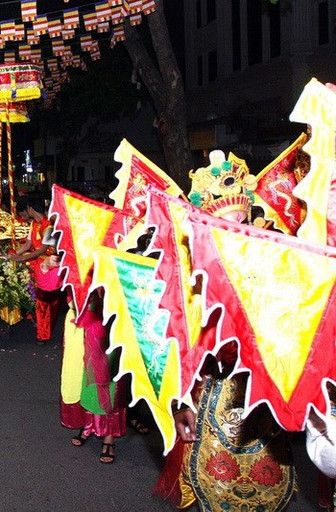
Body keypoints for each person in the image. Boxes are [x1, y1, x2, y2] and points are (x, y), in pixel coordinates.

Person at [156, 152, 295, 510]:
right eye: (225, 226)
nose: (236, 234)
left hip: (264, 408)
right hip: (209, 404)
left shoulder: (275, 266)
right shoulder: (188, 275)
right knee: (212, 494)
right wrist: (180, 402)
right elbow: (175, 344)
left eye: (242, 223)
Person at [60, 289, 126, 464]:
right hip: (84, 326)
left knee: (109, 380)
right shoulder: (80, 264)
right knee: (85, 380)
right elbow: (55, 284)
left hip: (112, 323)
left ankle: (109, 438)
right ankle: (89, 425)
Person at [9, 197, 61, 345]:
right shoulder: (34, 224)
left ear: (30, 208)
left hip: (49, 265)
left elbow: (43, 250)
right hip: (37, 264)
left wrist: (21, 259)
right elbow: (27, 245)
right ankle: (38, 325)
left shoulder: (49, 226)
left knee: (44, 302)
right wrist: (13, 255)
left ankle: (43, 333)